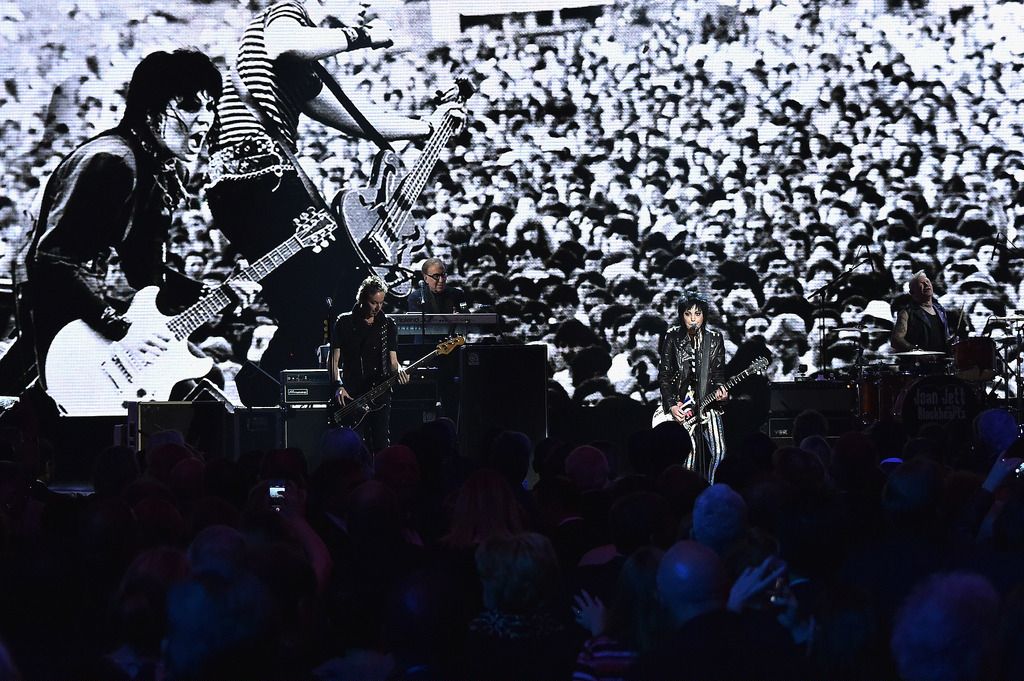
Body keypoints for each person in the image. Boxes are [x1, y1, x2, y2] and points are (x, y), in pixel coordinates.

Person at [207, 0, 466, 402]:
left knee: (318, 304)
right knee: (339, 282)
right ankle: (259, 395)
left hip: (251, 185)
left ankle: (261, 399)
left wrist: (425, 128)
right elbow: (283, 42)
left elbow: (351, 115)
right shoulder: (285, 12)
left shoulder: (298, 64)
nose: (365, 5)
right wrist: (360, 38)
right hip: (261, 177)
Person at [6, 50, 259, 398]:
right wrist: (120, 327)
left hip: (105, 324)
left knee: (208, 386)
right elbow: (54, 259)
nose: (206, 119)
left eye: (211, 107)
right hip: (75, 329)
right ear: (151, 112)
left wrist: (212, 294)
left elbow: (145, 272)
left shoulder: (158, 168)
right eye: (189, 107)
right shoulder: (111, 161)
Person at [329, 276, 409, 452]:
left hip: (380, 393)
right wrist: (338, 386)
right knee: (354, 446)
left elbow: (393, 361)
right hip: (352, 394)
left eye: (381, 303)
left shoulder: (387, 325)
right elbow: (334, 360)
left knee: (381, 444)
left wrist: (401, 371)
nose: (378, 307)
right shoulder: (344, 322)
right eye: (374, 303)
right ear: (362, 299)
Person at [658, 292, 729, 482]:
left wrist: (722, 391)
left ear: (704, 316)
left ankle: (712, 489)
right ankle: (685, 494)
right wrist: (672, 404)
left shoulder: (714, 339)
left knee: (720, 451)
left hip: (708, 403)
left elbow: (718, 374)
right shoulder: (672, 337)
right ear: (682, 316)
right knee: (689, 456)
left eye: (697, 314)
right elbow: (664, 375)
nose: (692, 319)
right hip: (682, 404)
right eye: (688, 314)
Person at [891, 271, 951, 353]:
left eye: (927, 281)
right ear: (912, 292)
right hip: (919, 364)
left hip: (941, 362)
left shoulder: (940, 311)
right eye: (922, 283)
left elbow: (945, 337)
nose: (926, 285)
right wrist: (916, 351)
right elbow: (896, 340)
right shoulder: (906, 313)